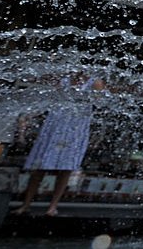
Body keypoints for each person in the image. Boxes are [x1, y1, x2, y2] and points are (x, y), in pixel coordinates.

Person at [13, 77, 105, 216]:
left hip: (75, 127)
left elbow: (100, 103)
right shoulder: (64, 80)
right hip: (56, 123)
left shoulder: (94, 82)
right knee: (39, 167)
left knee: (65, 168)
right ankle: (26, 204)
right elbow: (52, 99)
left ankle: (52, 206)